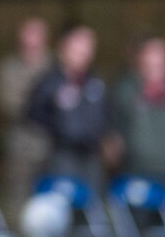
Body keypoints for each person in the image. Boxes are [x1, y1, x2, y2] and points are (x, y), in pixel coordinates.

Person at [25, 24, 111, 189]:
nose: (84, 51)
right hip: (61, 156)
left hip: (92, 156)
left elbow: (107, 114)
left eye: (88, 45)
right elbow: (33, 115)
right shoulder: (50, 81)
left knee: (91, 206)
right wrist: (57, 129)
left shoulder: (96, 81)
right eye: (79, 45)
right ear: (65, 47)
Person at [111, 35, 165, 191]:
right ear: (141, 60)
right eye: (150, 57)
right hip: (136, 170)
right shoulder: (125, 90)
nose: (155, 63)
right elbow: (116, 126)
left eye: (160, 57)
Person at [0, 16, 53, 223]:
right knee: (17, 197)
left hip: (53, 143)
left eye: (36, 35)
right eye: (28, 34)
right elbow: (10, 104)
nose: (32, 41)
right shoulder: (9, 67)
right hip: (22, 144)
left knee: (52, 197)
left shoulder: (54, 66)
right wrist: (45, 103)